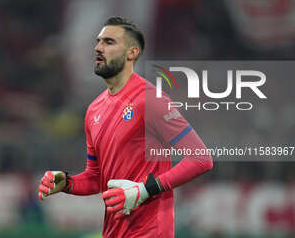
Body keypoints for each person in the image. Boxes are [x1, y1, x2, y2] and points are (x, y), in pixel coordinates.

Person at [38, 17, 213, 238]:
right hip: (114, 232)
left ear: (132, 53)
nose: (98, 48)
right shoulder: (94, 110)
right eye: (98, 41)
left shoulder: (150, 99)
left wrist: (143, 190)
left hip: (150, 231)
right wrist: (67, 182)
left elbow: (200, 159)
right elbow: (95, 179)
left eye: (109, 42)